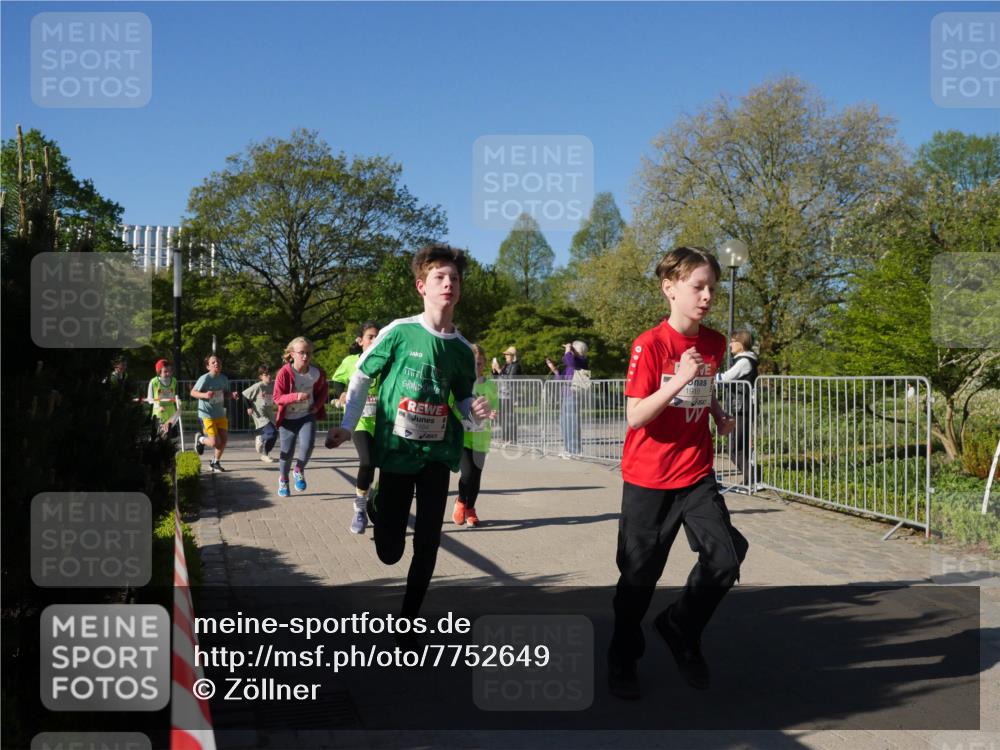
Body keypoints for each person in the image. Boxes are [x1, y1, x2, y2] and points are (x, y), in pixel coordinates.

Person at [326, 244, 492, 643]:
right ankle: (375, 502)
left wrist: (475, 413)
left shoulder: (462, 349)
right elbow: (362, 375)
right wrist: (348, 426)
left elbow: (464, 400)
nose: (448, 283)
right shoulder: (400, 331)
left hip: (437, 453)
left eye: (453, 278)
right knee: (389, 552)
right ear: (422, 286)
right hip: (397, 452)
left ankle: (408, 623)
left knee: (429, 542)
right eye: (439, 277)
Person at [608, 245, 749, 700]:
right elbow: (635, 416)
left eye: (712, 287)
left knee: (726, 557)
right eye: (698, 287)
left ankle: (679, 625)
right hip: (648, 479)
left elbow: (703, 387)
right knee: (637, 580)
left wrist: (719, 413)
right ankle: (623, 660)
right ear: (670, 288)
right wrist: (677, 380)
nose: (707, 296)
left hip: (695, 474)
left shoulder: (713, 342)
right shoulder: (649, 345)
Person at [332, 321, 382, 534]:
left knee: (386, 467)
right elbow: (337, 380)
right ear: (360, 341)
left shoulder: (386, 361)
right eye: (370, 336)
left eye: (378, 337)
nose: (374, 340)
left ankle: (375, 500)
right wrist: (339, 394)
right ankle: (360, 508)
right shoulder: (351, 361)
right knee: (367, 461)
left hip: (383, 422)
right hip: (360, 422)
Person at [272, 337, 329, 498]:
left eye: (309, 353)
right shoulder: (285, 372)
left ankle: (299, 469)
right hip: (288, 419)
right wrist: (296, 396)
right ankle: (283, 479)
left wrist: (317, 406)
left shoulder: (316, 373)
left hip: (306, 415)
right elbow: (277, 398)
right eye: (301, 353)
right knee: (287, 452)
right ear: (292, 354)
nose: (305, 357)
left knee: (308, 444)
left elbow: (324, 391)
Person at [452, 344, 499, 527]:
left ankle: (471, 509)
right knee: (467, 473)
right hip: (463, 436)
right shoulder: (460, 383)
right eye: (473, 364)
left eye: (479, 364)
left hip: (481, 437)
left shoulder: (489, 385)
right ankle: (460, 503)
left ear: (484, 364)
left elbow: (493, 407)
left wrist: (493, 413)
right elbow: (454, 407)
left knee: (476, 477)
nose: (476, 368)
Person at [716, 330, 759, 486]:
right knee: (740, 446)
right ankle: (751, 479)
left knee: (735, 449)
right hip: (742, 408)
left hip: (742, 408)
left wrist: (706, 376)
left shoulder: (744, 361)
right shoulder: (744, 360)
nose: (730, 345)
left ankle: (752, 479)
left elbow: (726, 377)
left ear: (741, 343)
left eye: (733, 341)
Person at [191, 354, 240, 472]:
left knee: (223, 440)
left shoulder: (223, 378)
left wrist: (232, 395)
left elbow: (225, 394)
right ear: (208, 366)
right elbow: (193, 392)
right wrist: (204, 395)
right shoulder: (205, 378)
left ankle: (215, 463)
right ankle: (200, 440)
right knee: (214, 443)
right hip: (207, 415)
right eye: (213, 362)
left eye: (218, 361)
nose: (216, 363)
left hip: (220, 414)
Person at [545, 340, 589, 457]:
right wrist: (554, 370)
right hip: (566, 395)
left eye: (573, 349)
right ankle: (568, 449)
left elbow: (568, 359)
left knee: (572, 423)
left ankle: (574, 451)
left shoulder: (581, 361)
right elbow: (561, 380)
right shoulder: (571, 365)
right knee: (565, 423)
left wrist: (568, 349)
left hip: (574, 395)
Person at [242, 365, 278, 464]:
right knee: (272, 432)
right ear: (261, 376)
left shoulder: (274, 384)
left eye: (270, 374)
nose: (269, 376)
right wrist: (249, 407)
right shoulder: (258, 386)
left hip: (269, 413)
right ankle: (261, 439)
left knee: (274, 434)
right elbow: (244, 395)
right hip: (259, 414)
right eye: (266, 374)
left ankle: (265, 454)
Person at [491, 346, 521, 444]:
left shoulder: (516, 366)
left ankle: (511, 438)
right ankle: (505, 437)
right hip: (501, 394)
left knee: (508, 417)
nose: (505, 356)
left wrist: (499, 370)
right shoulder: (506, 365)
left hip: (509, 395)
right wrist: (494, 370)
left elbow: (510, 380)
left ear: (513, 356)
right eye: (506, 354)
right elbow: (497, 378)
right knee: (501, 417)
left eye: (508, 354)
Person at [147, 359, 180, 438]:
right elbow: (150, 399)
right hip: (159, 413)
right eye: (165, 371)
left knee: (171, 436)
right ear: (159, 372)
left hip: (171, 413)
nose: (168, 373)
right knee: (159, 435)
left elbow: (176, 396)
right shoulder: (154, 382)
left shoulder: (174, 381)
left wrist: (178, 401)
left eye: (170, 371)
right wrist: (158, 406)